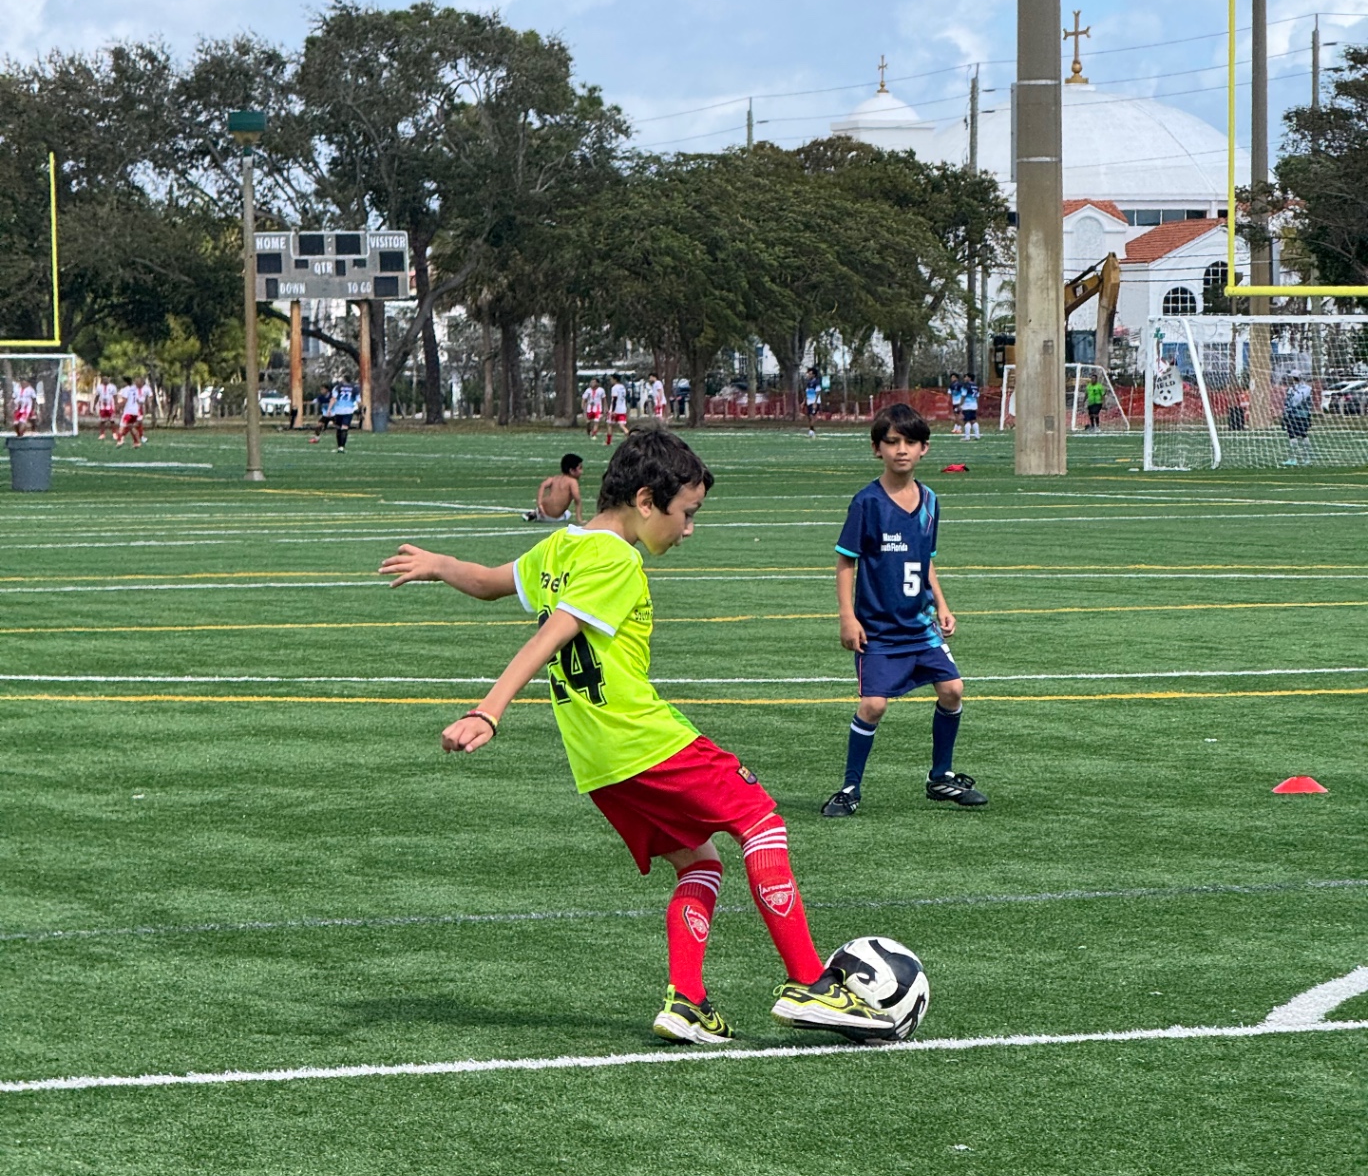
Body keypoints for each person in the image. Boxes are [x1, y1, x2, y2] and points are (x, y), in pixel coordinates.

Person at [377, 429, 895, 1046]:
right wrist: (490, 710)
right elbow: (554, 635)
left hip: (597, 762)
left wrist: (438, 565)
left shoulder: (560, 548)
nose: (689, 530)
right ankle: (811, 982)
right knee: (761, 820)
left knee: (699, 863)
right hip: (641, 739)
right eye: (687, 514)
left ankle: (688, 1002)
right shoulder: (617, 560)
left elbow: (490, 581)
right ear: (647, 501)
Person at [820, 402, 987, 817]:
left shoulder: (930, 501)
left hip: (920, 626)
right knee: (873, 705)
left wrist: (943, 606)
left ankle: (941, 777)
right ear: (877, 448)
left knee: (953, 690)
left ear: (924, 449)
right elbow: (846, 561)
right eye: (892, 442)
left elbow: (924, 559)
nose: (901, 450)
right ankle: (849, 788)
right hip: (878, 630)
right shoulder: (867, 503)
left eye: (910, 442)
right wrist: (847, 616)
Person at [524, 454, 585, 523]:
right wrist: (579, 520)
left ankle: (535, 513)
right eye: (580, 468)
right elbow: (577, 500)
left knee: (564, 511)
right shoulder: (572, 482)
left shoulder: (555, 478)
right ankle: (535, 513)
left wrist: (539, 504)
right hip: (552, 518)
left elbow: (542, 485)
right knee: (568, 514)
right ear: (571, 470)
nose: (581, 472)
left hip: (542, 512)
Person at [1281, 375, 1313, 466]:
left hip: (1294, 415)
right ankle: (1307, 459)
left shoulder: (1292, 389)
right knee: (1304, 435)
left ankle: (1293, 459)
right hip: (1304, 415)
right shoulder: (1308, 388)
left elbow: (1289, 403)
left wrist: (1285, 416)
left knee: (1292, 436)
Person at [327, 379, 359, 449]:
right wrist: (361, 409)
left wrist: (329, 409)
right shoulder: (355, 388)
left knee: (338, 428)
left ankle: (339, 446)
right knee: (345, 428)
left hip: (338, 410)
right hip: (349, 410)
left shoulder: (337, 387)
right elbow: (358, 400)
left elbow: (333, 399)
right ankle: (342, 447)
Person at [115, 378, 142, 447]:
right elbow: (138, 400)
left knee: (121, 426)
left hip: (128, 411)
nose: (121, 383)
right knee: (131, 427)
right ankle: (137, 442)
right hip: (135, 411)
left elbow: (125, 400)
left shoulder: (126, 389)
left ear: (125, 382)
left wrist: (118, 407)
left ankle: (120, 440)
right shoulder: (134, 390)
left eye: (122, 382)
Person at [606, 374, 628, 446]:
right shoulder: (623, 387)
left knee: (609, 425)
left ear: (615, 379)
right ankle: (629, 438)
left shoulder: (615, 388)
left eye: (611, 379)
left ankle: (608, 442)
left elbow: (614, 399)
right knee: (622, 425)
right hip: (623, 409)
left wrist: (612, 410)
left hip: (616, 409)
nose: (611, 381)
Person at [959, 375, 980, 440]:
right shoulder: (976, 386)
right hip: (974, 404)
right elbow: (977, 396)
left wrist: (960, 404)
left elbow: (963, 395)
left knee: (966, 421)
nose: (964, 378)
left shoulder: (966, 385)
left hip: (967, 405)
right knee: (973, 420)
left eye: (966, 377)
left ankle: (967, 437)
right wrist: (977, 404)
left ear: (969, 378)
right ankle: (977, 435)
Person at [804, 367, 821, 437]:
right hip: (809, 401)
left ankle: (811, 430)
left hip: (814, 401)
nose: (809, 375)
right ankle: (812, 429)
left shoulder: (816, 382)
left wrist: (815, 402)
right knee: (809, 416)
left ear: (814, 375)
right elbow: (807, 393)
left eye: (810, 374)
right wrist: (804, 401)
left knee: (812, 416)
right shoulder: (808, 383)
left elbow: (818, 392)